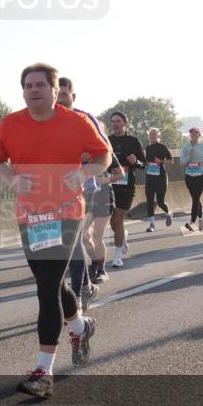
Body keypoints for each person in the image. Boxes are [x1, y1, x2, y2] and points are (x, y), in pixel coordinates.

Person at [0, 63, 111, 397]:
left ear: (56, 91)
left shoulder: (78, 123)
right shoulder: (11, 123)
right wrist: (11, 178)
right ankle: (81, 325)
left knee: (46, 288)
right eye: (28, 85)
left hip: (66, 211)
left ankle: (44, 372)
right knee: (51, 283)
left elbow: (105, 155)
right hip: (29, 213)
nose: (33, 90)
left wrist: (86, 171)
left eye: (40, 85)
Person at [57, 77, 114, 307]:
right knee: (60, 242)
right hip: (49, 188)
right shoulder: (42, 120)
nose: (59, 99)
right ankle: (84, 285)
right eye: (56, 94)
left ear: (72, 96)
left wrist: (80, 160)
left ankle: (79, 292)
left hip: (81, 187)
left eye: (63, 94)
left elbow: (104, 152)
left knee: (74, 237)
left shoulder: (83, 118)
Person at [108, 112, 146, 268]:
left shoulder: (133, 141)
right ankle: (122, 238)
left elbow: (144, 165)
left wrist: (135, 161)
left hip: (126, 187)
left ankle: (117, 256)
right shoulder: (107, 141)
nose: (115, 124)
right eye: (113, 121)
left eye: (118, 121)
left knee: (117, 219)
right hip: (109, 185)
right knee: (112, 222)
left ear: (125, 123)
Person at [181, 127, 203, 231]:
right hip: (189, 176)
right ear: (190, 136)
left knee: (195, 199)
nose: (194, 136)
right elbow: (182, 163)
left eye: (196, 135)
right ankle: (201, 218)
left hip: (201, 175)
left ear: (199, 135)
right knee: (196, 199)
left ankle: (192, 223)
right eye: (192, 135)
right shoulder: (186, 147)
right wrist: (189, 156)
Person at [143, 128, 173, 232]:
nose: (152, 136)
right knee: (149, 202)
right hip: (150, 177)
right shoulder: (148, 147)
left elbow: (171, 161)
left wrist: (161, 161)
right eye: (151, 134)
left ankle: (168, 213)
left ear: (158, 136)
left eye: (154, 134)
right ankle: (152, 225)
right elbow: (147, 161)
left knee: (160, 202)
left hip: (161, 178)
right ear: (149, 136)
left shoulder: (163, 147)